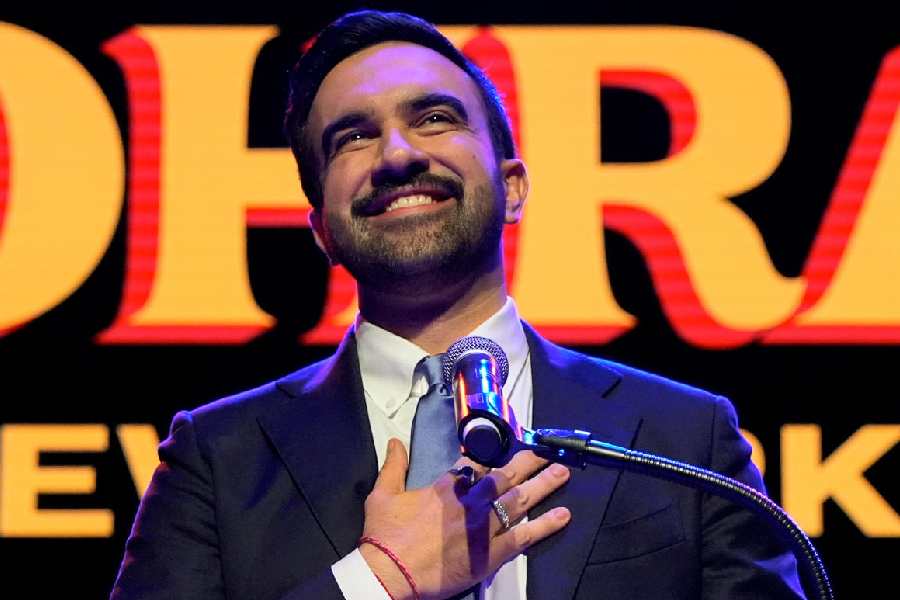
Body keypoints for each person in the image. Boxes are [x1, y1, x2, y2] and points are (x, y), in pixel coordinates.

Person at [110, 10, 806, 600]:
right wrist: (377, 580)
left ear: (512, 187)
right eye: (353, 136)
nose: (398, 154)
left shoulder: (683, 438)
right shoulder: (216, 458)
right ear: (322, 228)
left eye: (435, 118)